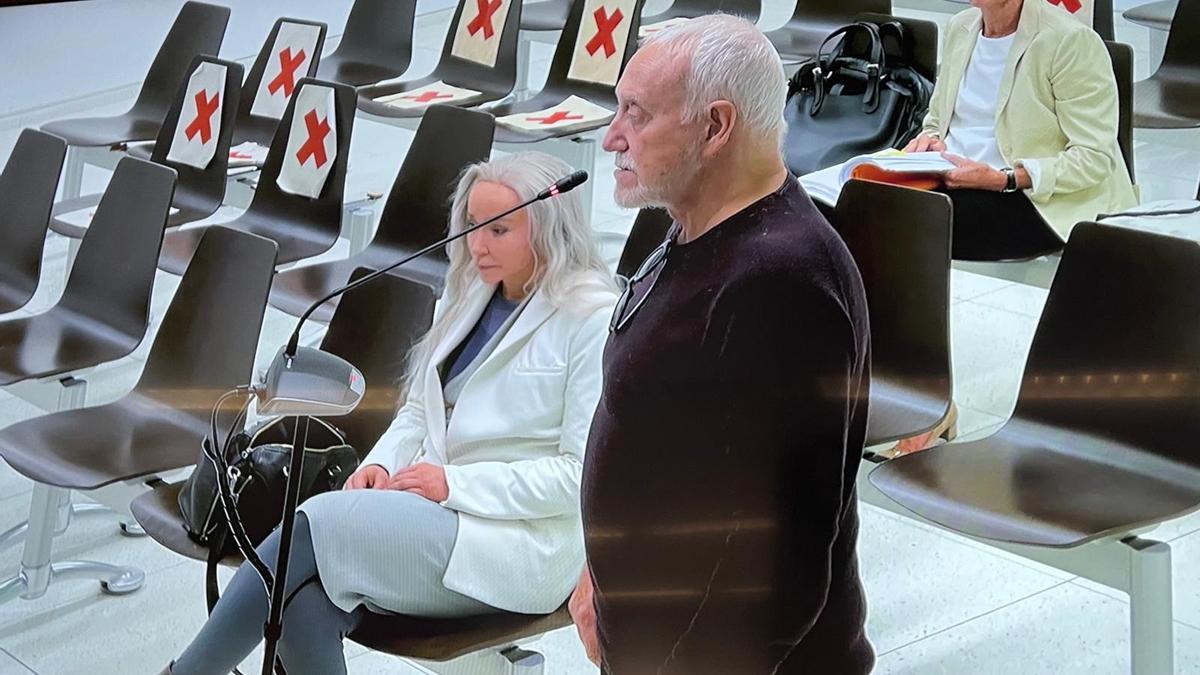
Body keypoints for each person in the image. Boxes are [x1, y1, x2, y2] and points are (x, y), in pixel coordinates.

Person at [162, 152, 618, 675]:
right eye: (472, 226)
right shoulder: (471, 287)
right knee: (301, 604)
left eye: (499, 230)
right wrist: (379, 464)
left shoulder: (590, 315)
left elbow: (577, 477)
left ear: (547, 228)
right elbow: (420, 409)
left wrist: (452, 485)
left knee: (310, 526)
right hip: (432, 511)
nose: (477, 244)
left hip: (517, 541)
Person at [570, 15, 874, 674]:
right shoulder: (693, 222)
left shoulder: (782, 280)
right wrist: (601, 571)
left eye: (637, 115)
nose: (611, 138)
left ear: (715, 127)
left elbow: (784, 558)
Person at [905, 0, 1137, 260]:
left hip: (1035, 197)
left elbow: (1093, 158)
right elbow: (937, 119)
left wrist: (1006, 178)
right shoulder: (961, 27)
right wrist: (930, 141)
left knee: (907, 223)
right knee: (866, 197)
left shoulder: (1069, 41)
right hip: (955, 179)